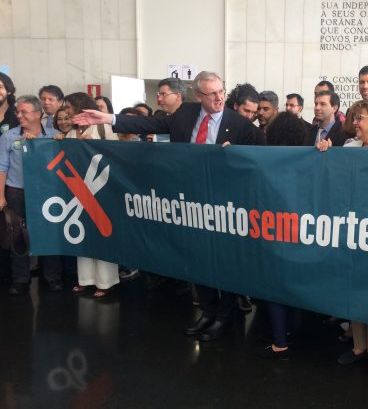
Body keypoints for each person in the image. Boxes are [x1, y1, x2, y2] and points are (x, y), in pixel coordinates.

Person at [73, 71, 261, 340]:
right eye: (212, 93)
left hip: (223, 205)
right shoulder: (186, 114)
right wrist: (108, 118)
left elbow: (262, 156)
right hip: (191, 202)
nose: (219, 98)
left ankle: (224, 316)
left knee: (222, 262)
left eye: (221, 91)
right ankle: (208, 311)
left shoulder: (240, 124)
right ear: (198, 95)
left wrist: (239, 155)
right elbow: (148, 123)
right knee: (198, 259)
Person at [317, 100, 368, 378]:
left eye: (360, 118)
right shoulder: (349, 148)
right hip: (352, 229)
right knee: (353, 287)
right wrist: (325, 152)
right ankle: (358, 346)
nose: (354, 123)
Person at [0, 95, 63, 294]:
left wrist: (60, 142)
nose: (19, 115)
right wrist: (1, 195)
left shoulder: (54, 136)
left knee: (49, 233)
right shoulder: (9, 137)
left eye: (24, 112)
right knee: (18, 236)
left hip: (47, 192)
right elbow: (2, 167)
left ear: (38, 114)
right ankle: (20, 278)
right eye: (17, 111)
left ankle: (52, 276)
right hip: (16, 191)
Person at [261, 111, 309, 360]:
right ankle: (291, 331)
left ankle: (280, 341)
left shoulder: (265, 160)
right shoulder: (308, 160)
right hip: (298, 230)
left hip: (271, 229)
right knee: (294, 284)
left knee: (274, 287)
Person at [64, 93, 120, 298]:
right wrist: (59, 140)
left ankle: (106, 281)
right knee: (82, 234)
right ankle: (85, 279)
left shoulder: (103, 128)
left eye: (69, 106)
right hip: (78, 188)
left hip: (102, 188)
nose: (66, 111)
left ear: (79, 107)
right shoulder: (71, 132)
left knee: (102, 233)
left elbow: (117, 153)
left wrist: (96, 146)